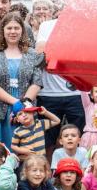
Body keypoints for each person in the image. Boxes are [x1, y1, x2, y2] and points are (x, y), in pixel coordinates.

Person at [0, 13, 43, 148]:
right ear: (3, 30)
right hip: (1, 112)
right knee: (2, 149)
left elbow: (37, 82)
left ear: (22, 30)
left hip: (27, 111)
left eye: (17, 28)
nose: (13, 31)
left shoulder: (33, 55)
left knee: (27, 150)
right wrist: (15, 103)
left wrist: (23, 105)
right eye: (9, 28)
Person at [36, 15, 86, 157]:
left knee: (78, 138)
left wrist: (54, 46)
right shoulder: (47, 25)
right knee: (47, 140)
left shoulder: (83, 24)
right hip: (48, 93)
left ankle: (77, 170)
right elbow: (41, 51)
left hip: (76, 93)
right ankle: (47, 173)